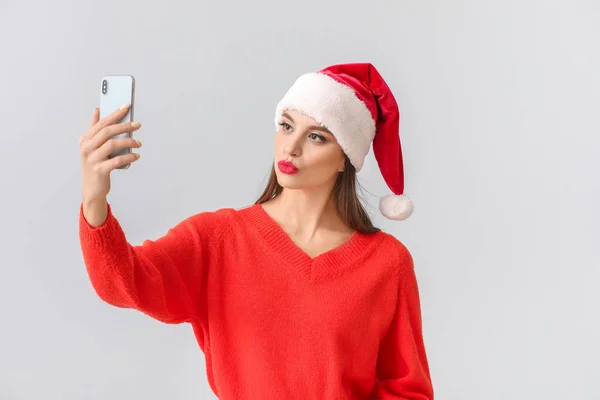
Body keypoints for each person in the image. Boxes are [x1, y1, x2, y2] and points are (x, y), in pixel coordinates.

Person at [78, 62, 434, 400]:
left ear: (346, 158)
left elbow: (407, 390)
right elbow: (122, 282)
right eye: (286, 125)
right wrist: (95, 198)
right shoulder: (218, 240)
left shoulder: (387, 263)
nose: (291, 147)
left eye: (316, 137)